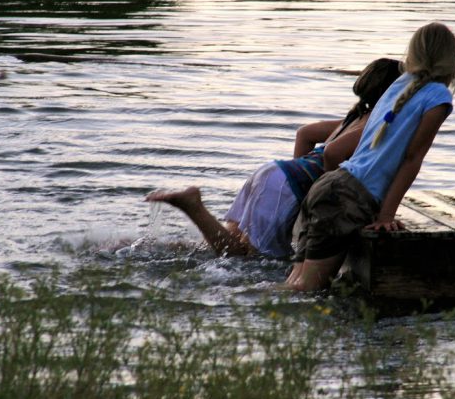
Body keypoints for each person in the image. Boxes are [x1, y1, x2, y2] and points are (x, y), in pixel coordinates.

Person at [145, 58, 403, 258]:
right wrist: (314, 197)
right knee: (245, 258)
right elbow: (332, 154)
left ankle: (164, 242)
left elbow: (305, 134)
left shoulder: (355, 117)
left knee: (230, 245)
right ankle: (193, 205)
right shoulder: (376, 125)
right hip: (283, 186)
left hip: (272, 174)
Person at [285, 22, 455, 291]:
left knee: (294, 286)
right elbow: (412, 159)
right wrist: (386, 215)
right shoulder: (438, 97)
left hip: (329, 186)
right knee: (305, 292)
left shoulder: (400, 83)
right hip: (348, 199)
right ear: (451, 59)